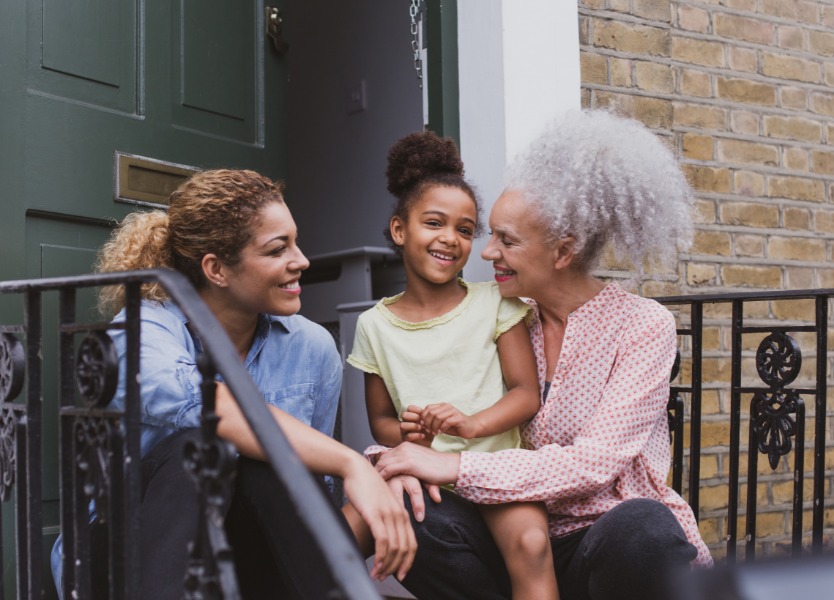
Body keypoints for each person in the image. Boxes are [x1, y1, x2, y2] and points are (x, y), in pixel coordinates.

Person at [373, 109, 714, 600]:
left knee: (646, 528)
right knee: (415, 509)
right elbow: (435, 413)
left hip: (601, 540)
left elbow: (593, 465)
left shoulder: (642, 326)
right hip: (509, 537)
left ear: (563, 251)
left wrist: (458, 468)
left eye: (507, 240)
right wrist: (396, 459)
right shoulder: (499, 316)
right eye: (489, 235)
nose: (487, 254)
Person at [50, 169, 416, 599]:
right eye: (278, 249)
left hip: (239, 558)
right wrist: (352, 464)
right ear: (216, 269)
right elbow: (208, 404)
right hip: (124, 555)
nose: (301, 261)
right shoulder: (141, 330)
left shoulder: (312, 347)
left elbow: (309, 491)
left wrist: (385, 482)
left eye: (295, 243)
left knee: (272, 461)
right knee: (209, 444)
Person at [344, 131, 558, 600]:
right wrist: (409, 437)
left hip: (499, 470)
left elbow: (526, 393)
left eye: (464, 229)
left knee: (531, 542)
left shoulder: (495, 303)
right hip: (426, 471)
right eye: (434, 223)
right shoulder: (374, 326)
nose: (450, 239)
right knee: (355, 522)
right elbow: (380, 419)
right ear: (400, 230)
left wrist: (469, 425)